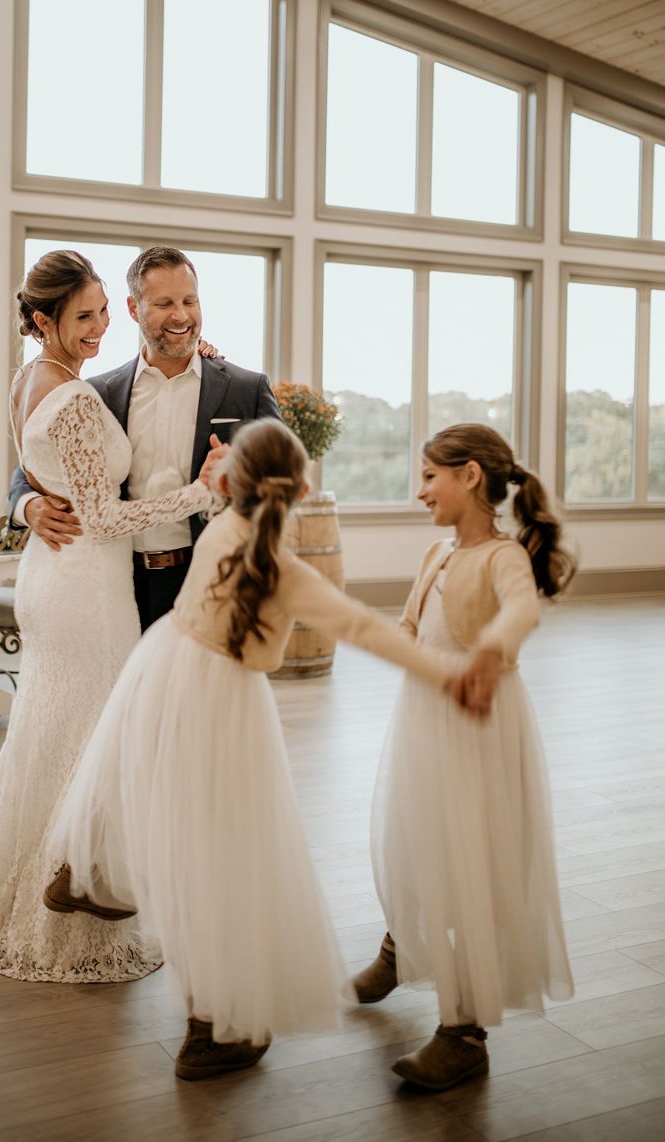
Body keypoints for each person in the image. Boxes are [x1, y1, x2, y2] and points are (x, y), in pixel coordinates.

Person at [41, 419, 487, 1080]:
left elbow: (230, 485)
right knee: (222, 860)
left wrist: (224, 469)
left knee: (155, 798)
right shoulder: (284, 570)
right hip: (222, 701)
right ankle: (207, 1028)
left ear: (229, 483)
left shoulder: (222, 525)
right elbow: (364, 628)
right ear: (304, 487)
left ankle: (95, 873)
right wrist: (445, 673)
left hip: (164, 667)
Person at [0, 250, 223, 982]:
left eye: (100, 312)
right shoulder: (80, 392)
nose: (98, 328)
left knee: (49, 733)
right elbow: (93, 510)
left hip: (71, 580)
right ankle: (69, 917)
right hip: (89, 586)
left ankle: (12, 903)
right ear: (44, 322)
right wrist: (196, 492)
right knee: (86, 739)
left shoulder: (38, 378)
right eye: (85, 316)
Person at [353, 423, 576, 1091]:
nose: (420, 492)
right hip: (424, 720)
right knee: (414, 836)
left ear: (470, 477)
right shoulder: (437, 554)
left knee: (470, 860)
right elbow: (408, 630)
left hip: (479, 725)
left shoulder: (502, 556)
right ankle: (402, 943)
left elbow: (521, 612)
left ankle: (464, 1032)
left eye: (429, 477)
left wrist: (486, 650)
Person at [8, 245, 280, 629]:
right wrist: (27, 505)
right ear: (134, 309)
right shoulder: (97, 392)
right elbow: (36, 462)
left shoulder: (244, 389)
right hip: (121, 583)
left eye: (190, 300)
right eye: (165, 303)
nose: (181, 315)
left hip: (212, 579)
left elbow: (279, 483)